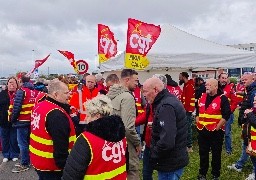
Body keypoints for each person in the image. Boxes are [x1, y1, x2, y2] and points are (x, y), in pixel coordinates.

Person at [62, 95, 127, 179]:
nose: (86, 118)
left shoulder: (86, 140)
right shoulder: (121, 135)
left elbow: (71, 175)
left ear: (97, 116)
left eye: (88, 115)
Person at [142, 77, 188, 180]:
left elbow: (167, 141)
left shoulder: (166, 106)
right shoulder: (166, 101)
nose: (143, 95)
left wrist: (154, 153)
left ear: (155, 90)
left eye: (145, 91)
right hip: (172, 160)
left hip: (170, 163)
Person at [30, 80, 76, 180]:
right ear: (55, 94)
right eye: (66, 93)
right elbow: (60, 148)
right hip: (52, 167)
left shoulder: (40, 106)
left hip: (39, 160)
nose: (69, 95)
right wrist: (67, 169)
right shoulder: (56, 115)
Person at [107, 69, 141, 180]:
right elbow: (128, 127)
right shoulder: (127, 97)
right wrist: (137, 143)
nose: (137, 84)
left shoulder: (111, 95)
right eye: (135, 81)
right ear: (127, 80)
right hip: (127, 145)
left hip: (113, 144)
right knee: (132, 172)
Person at [196, 78, 231, 180]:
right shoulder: (202, 96)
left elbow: (226, 115)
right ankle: (202, 173)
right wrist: (197, 121)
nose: (206, 86)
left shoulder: (222, 98)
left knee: (216, 154)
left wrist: (217, 128)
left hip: (216, 133)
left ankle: (215, 174)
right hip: (202, 131)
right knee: (203, 153)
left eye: (209, 85)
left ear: (216, 86)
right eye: (206, 85)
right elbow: (198, 111)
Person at [227, 73, 256, 179]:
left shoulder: (254, 91)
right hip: (247, 124)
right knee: (246, 146)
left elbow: (254, 110)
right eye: (242, 79)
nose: (243, 81)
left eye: (245, 79)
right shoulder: (248, 90)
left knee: (252, 149)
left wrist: (248, 114)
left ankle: (254, 172)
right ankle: (239, 165)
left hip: (252, 125)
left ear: (253, 78)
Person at [10, 73, 39, 173]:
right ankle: (28, 160)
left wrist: (12, 119)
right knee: (29, 143)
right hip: (31, 121)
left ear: (20, 81)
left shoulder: (21, 91)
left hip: (22, 121)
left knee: (22, 143)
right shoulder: (33, 91)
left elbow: (16, 107)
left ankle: (24, 163)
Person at [218, 72, 239, 155]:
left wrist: (229, 111)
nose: (224, 80)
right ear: (219, 78)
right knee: (217, 132)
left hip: (228, 115)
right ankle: (216, 148)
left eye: (225, 78)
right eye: (222, 78)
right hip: (217, 114)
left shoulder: (230, 87)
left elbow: (235, 101)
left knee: (227, 133)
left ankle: (228, 150)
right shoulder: (216, 87)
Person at [0, 77, 20, 163]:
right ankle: (6, 154)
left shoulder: (19, 94)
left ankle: (14, 154)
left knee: (14, 138)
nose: (12, 84)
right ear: (7, 84)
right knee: (4, 138)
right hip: (3, 120)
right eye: (10, 82)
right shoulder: (2, 94)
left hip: (15, 120)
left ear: (16, 84)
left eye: (14, 83)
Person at [179, 72, 195, 152]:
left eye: (180, 77)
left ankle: (189, 146)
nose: (179, 79)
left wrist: (185, 109)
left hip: (187, 110)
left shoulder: (189, 86)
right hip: (186, 110)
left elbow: (188, 100)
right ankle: (187, 145)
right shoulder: (186, 85)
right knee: (186, 128)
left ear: (184, 77)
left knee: (188, 128)